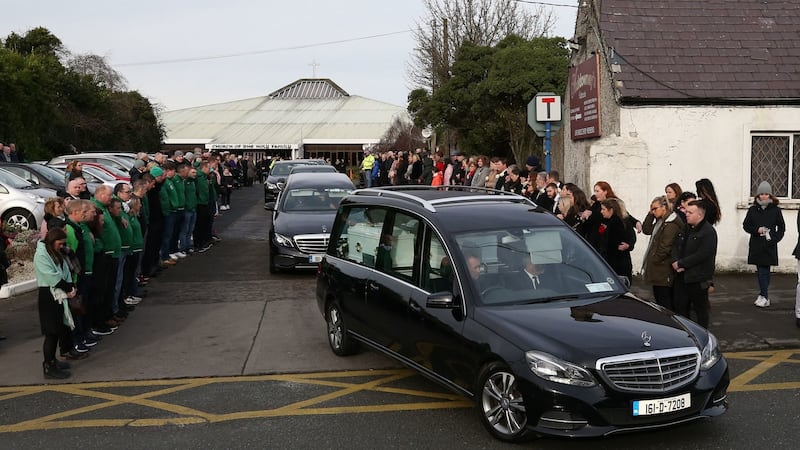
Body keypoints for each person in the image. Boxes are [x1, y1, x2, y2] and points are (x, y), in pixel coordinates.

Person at [35, 228, 80, 379]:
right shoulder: (41, 254)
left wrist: (71, 285)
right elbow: (50, 276)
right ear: (52, 241)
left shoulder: (53, 252)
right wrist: (68, 287)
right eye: (60, 244)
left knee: (58, 330)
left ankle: (53, 361)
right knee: (51, 333)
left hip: (58, 293)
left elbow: (65, 270)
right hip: (49, 295)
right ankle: (48, 366)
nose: (62, 246)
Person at [671, 200, 717, 328]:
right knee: (680, 309)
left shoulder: (708, 232)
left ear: (700, 215)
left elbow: (703, 254)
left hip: (698, 279)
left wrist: (682, 263)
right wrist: (675, 262)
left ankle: (701, 336)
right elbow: (676, 246)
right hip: (681, 277)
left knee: (700, 311)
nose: (686, 214)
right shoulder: (685, 228)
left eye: (690, 212)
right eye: (686, 212)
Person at [742, 181, 785, 308]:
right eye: (762, 194)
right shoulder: (753, 210)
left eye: (767, 194)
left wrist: (774, 239)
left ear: (770, 195)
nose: (764, 196)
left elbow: (781, 228)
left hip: (769, 245)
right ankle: (763, 295)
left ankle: (764, 296)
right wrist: (757, 230)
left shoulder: (775, 211)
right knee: (761, 270)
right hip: (756, 245)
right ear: (757, 196)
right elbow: (746, 225)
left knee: (764, 270)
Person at [642, 195, 684, 309]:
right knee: (659, 297)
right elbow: (646, 229)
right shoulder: (660, 222)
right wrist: (650, 214)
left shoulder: (670, 224)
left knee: (664, 300)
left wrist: (654, 260)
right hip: (658, 268)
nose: (653, 211)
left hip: (663, 269)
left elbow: (665, 247)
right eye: (652, 209)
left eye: (655, 209)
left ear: (664, 207)